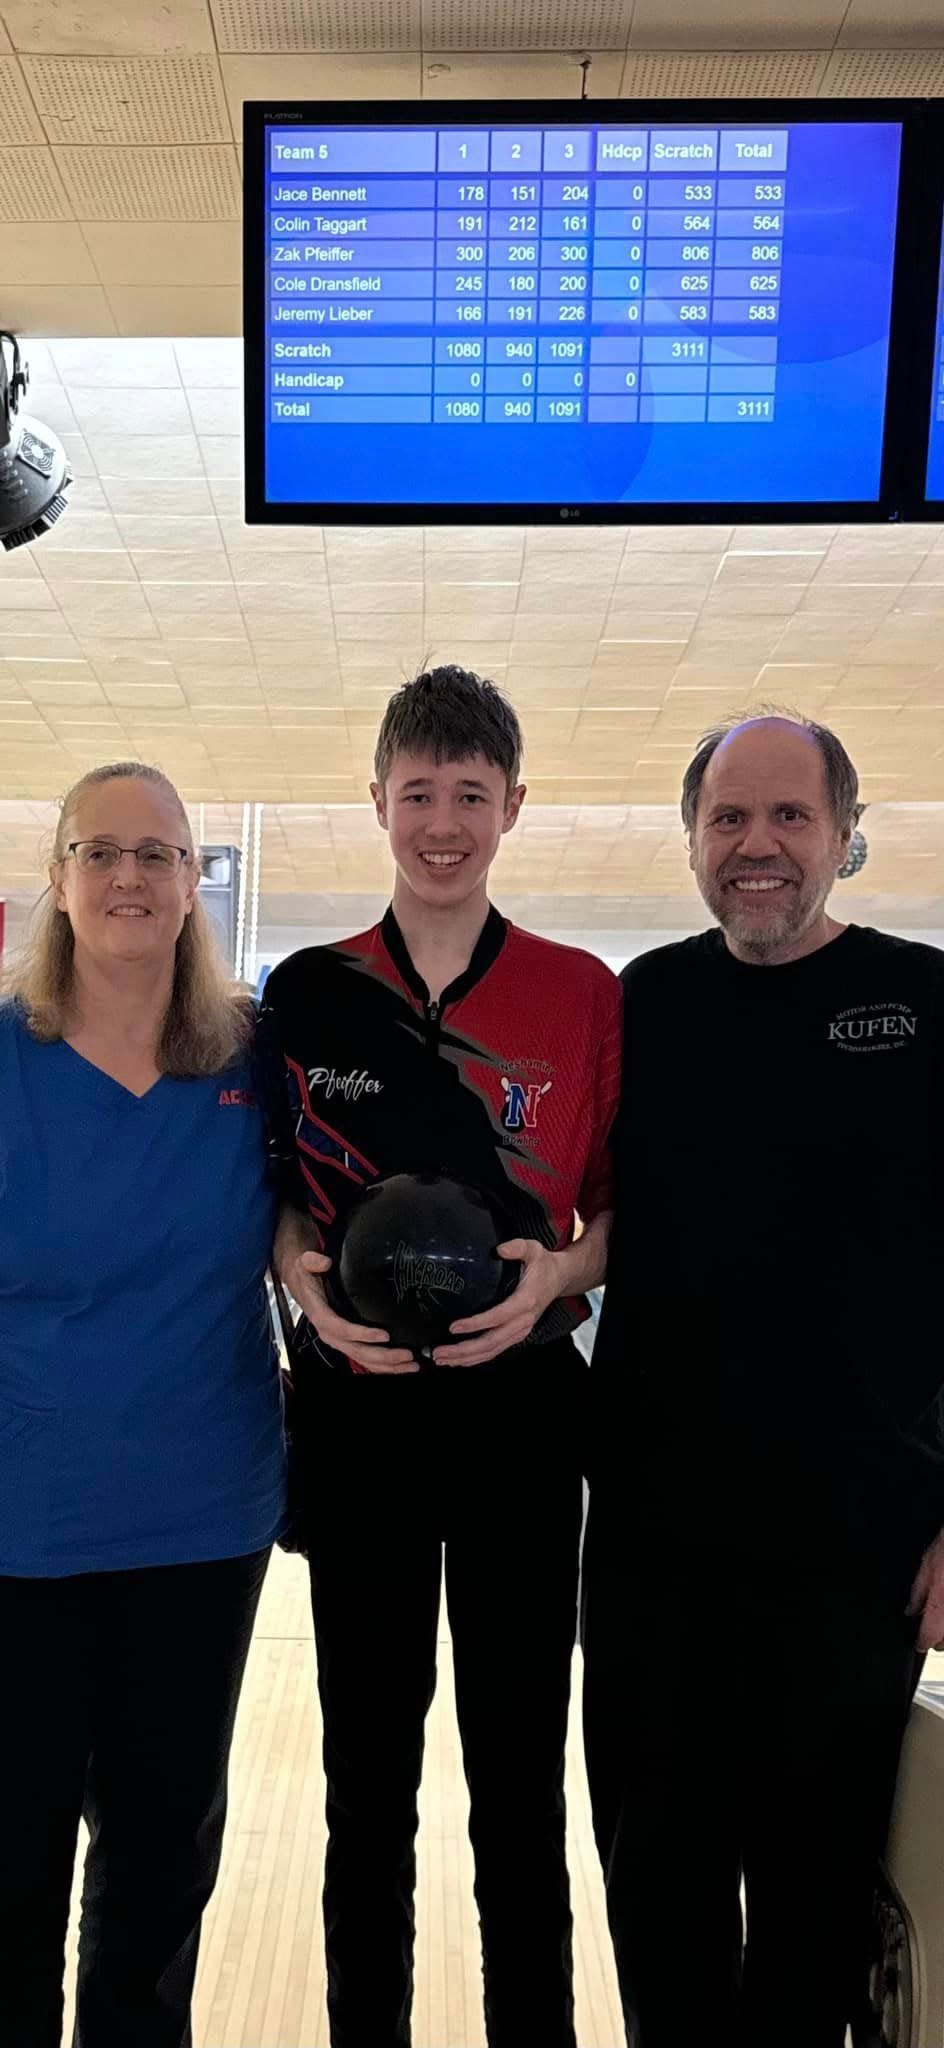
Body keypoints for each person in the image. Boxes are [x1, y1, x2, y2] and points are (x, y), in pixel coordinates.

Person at [262, 664, 622, 2048]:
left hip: (525, 1417)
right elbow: (277, 1195)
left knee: (519, 1786)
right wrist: (297, 1265)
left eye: (472, 794)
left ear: (514, 806)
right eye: (420, 792)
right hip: (354, 1422)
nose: (444, 822)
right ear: (378, 802)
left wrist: (565, 1274)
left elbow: (621, 1207)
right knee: (368, 1787)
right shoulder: (307, 992)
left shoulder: (581, 996)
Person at [582, 709, 944, 2048]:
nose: (758, 846)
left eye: (790, 817)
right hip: (650, 1558)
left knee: (812, 1927)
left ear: (846, 840)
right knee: (657, 1910)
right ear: (692, 840)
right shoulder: (645, 1005)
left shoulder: (926, 1004)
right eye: (730, 819)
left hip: (852, 1562)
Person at [0, 762, 286, 2048]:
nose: (129, 876)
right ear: (57, 878)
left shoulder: (252, 1053)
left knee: (161, 1870)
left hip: (198, 1522)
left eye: (158, 854)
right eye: (100, 851)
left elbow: (313, 1218)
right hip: (20, 1531)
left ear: (192, 882)